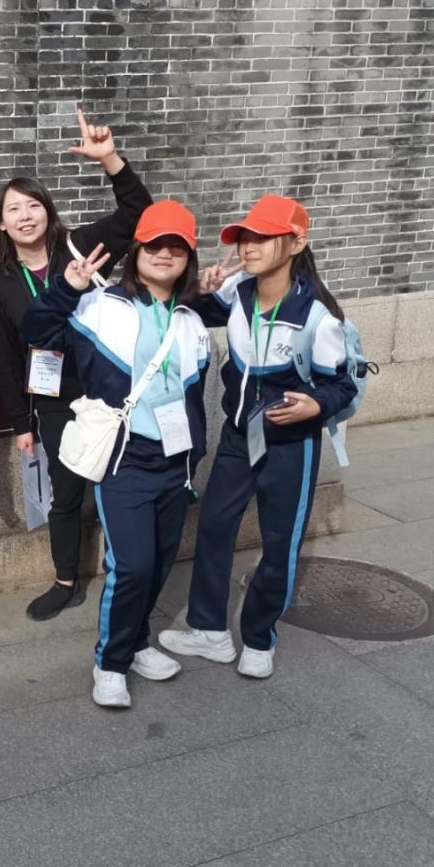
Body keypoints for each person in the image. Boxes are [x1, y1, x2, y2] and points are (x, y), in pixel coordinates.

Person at [160, 195, 357, 679]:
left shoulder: (318, 316)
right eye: (245, 237)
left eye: (263, 238)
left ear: (297, 242)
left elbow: (341, 384)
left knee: (279, 542)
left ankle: (259, 638)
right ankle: (209, 630)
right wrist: (201, 288)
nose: (249, 247)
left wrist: (317, 405)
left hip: (291, 446)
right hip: (238, 436)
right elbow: (188, 310)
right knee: (214, 526)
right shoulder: (238, 290)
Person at [25, 202, 212, 708]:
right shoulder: (99, 305)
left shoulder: (191, 318)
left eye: (176, 246)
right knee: (131, 565)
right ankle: (109, 663)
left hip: (176, 461)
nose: (164, 253)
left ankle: (138, 642)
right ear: (136, 251)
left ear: (189, 257)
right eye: (154, 244)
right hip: (125, 459)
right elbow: (36, 330)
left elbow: (195, 395)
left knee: (161, 562)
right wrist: (67, 288)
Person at [0, 108, 154, 622]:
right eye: (14, 209)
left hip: (108, 390)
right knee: (66, 492)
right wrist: (21, 424)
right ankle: (65, 580)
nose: (25, 215)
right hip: (54, 402)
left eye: (33, 204)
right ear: (2, 223)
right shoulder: (1, 284)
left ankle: (128, 570)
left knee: (120, 484)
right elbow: (6, 359)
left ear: (48, 211)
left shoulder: (78, 248)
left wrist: (111, 160)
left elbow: (138, 215)